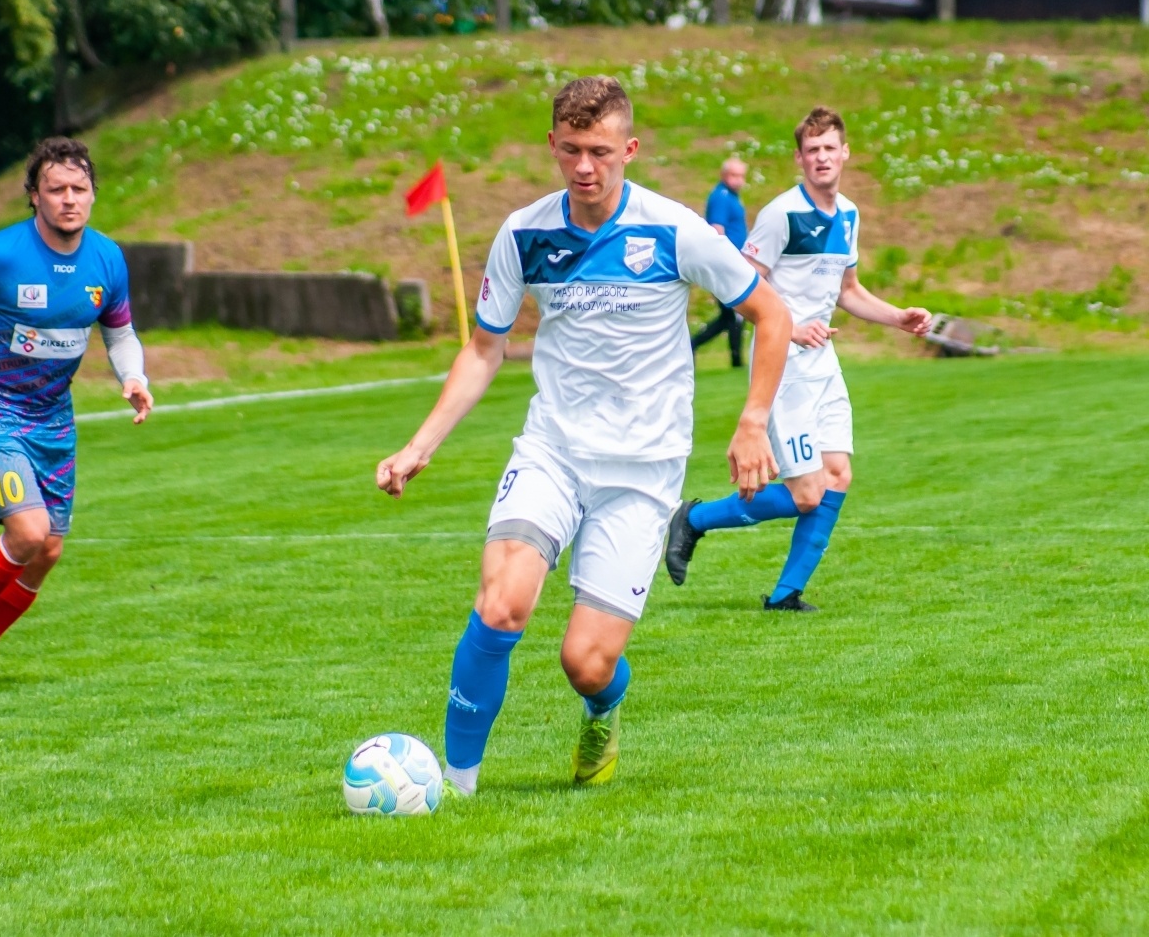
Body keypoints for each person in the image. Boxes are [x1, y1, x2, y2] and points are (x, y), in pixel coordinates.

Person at [376, 77, 791, 794]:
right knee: (501, 601)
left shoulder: (674, 230)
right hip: (554, 451)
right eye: (570, 150)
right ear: (552, 146)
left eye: (599, 151)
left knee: (585, 662)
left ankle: (605, 707)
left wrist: (753, 419)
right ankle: (452, 787)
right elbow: (483, 349)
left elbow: (772, 313)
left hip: (641, 471)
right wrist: (421, 443)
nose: (584, 167)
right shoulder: (525, 233)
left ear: (629, 148)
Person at [664, 106, 931, 610]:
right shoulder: (782, 214)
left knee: (839, 475)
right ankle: (693, 519)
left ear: (845, 152)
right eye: (813, 151)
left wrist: (899, 317)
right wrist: (789, 325)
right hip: (782, 366)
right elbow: (741, 288)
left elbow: (848, 290)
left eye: (830, 148)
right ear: (799, 159)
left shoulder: (848, 214)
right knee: (808, 492)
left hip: (824, 366)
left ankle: (786, 595)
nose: (822, 158)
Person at [0, 137, 153, 684]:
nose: (69, 199)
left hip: (52, 419)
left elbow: (119, 332)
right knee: (27, 531)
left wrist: (133, 377)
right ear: (34, 197)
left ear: (93, 195)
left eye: (80, 188)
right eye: (56, 189)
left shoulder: (107, 258)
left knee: (46, 550)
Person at [690, 157, 750, 366]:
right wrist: (728, 260)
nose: (738, 180)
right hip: (726, 264)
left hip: (735, 261)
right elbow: (717, 229)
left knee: (732, 314)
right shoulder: (722, 197)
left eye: (741, 176)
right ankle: (695, 345)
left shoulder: (732, 197)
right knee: (732, 313)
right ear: (724, 175)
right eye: (734, 175)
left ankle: (735, 360)